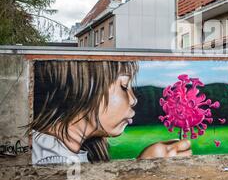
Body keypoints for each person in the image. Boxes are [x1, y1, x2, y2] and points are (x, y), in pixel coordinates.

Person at [30, 61, 191, 165]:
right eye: (124, 86)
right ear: (87, 89)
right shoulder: (53, 162)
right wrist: (142, 170)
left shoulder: (60, 151)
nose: (133, 100)